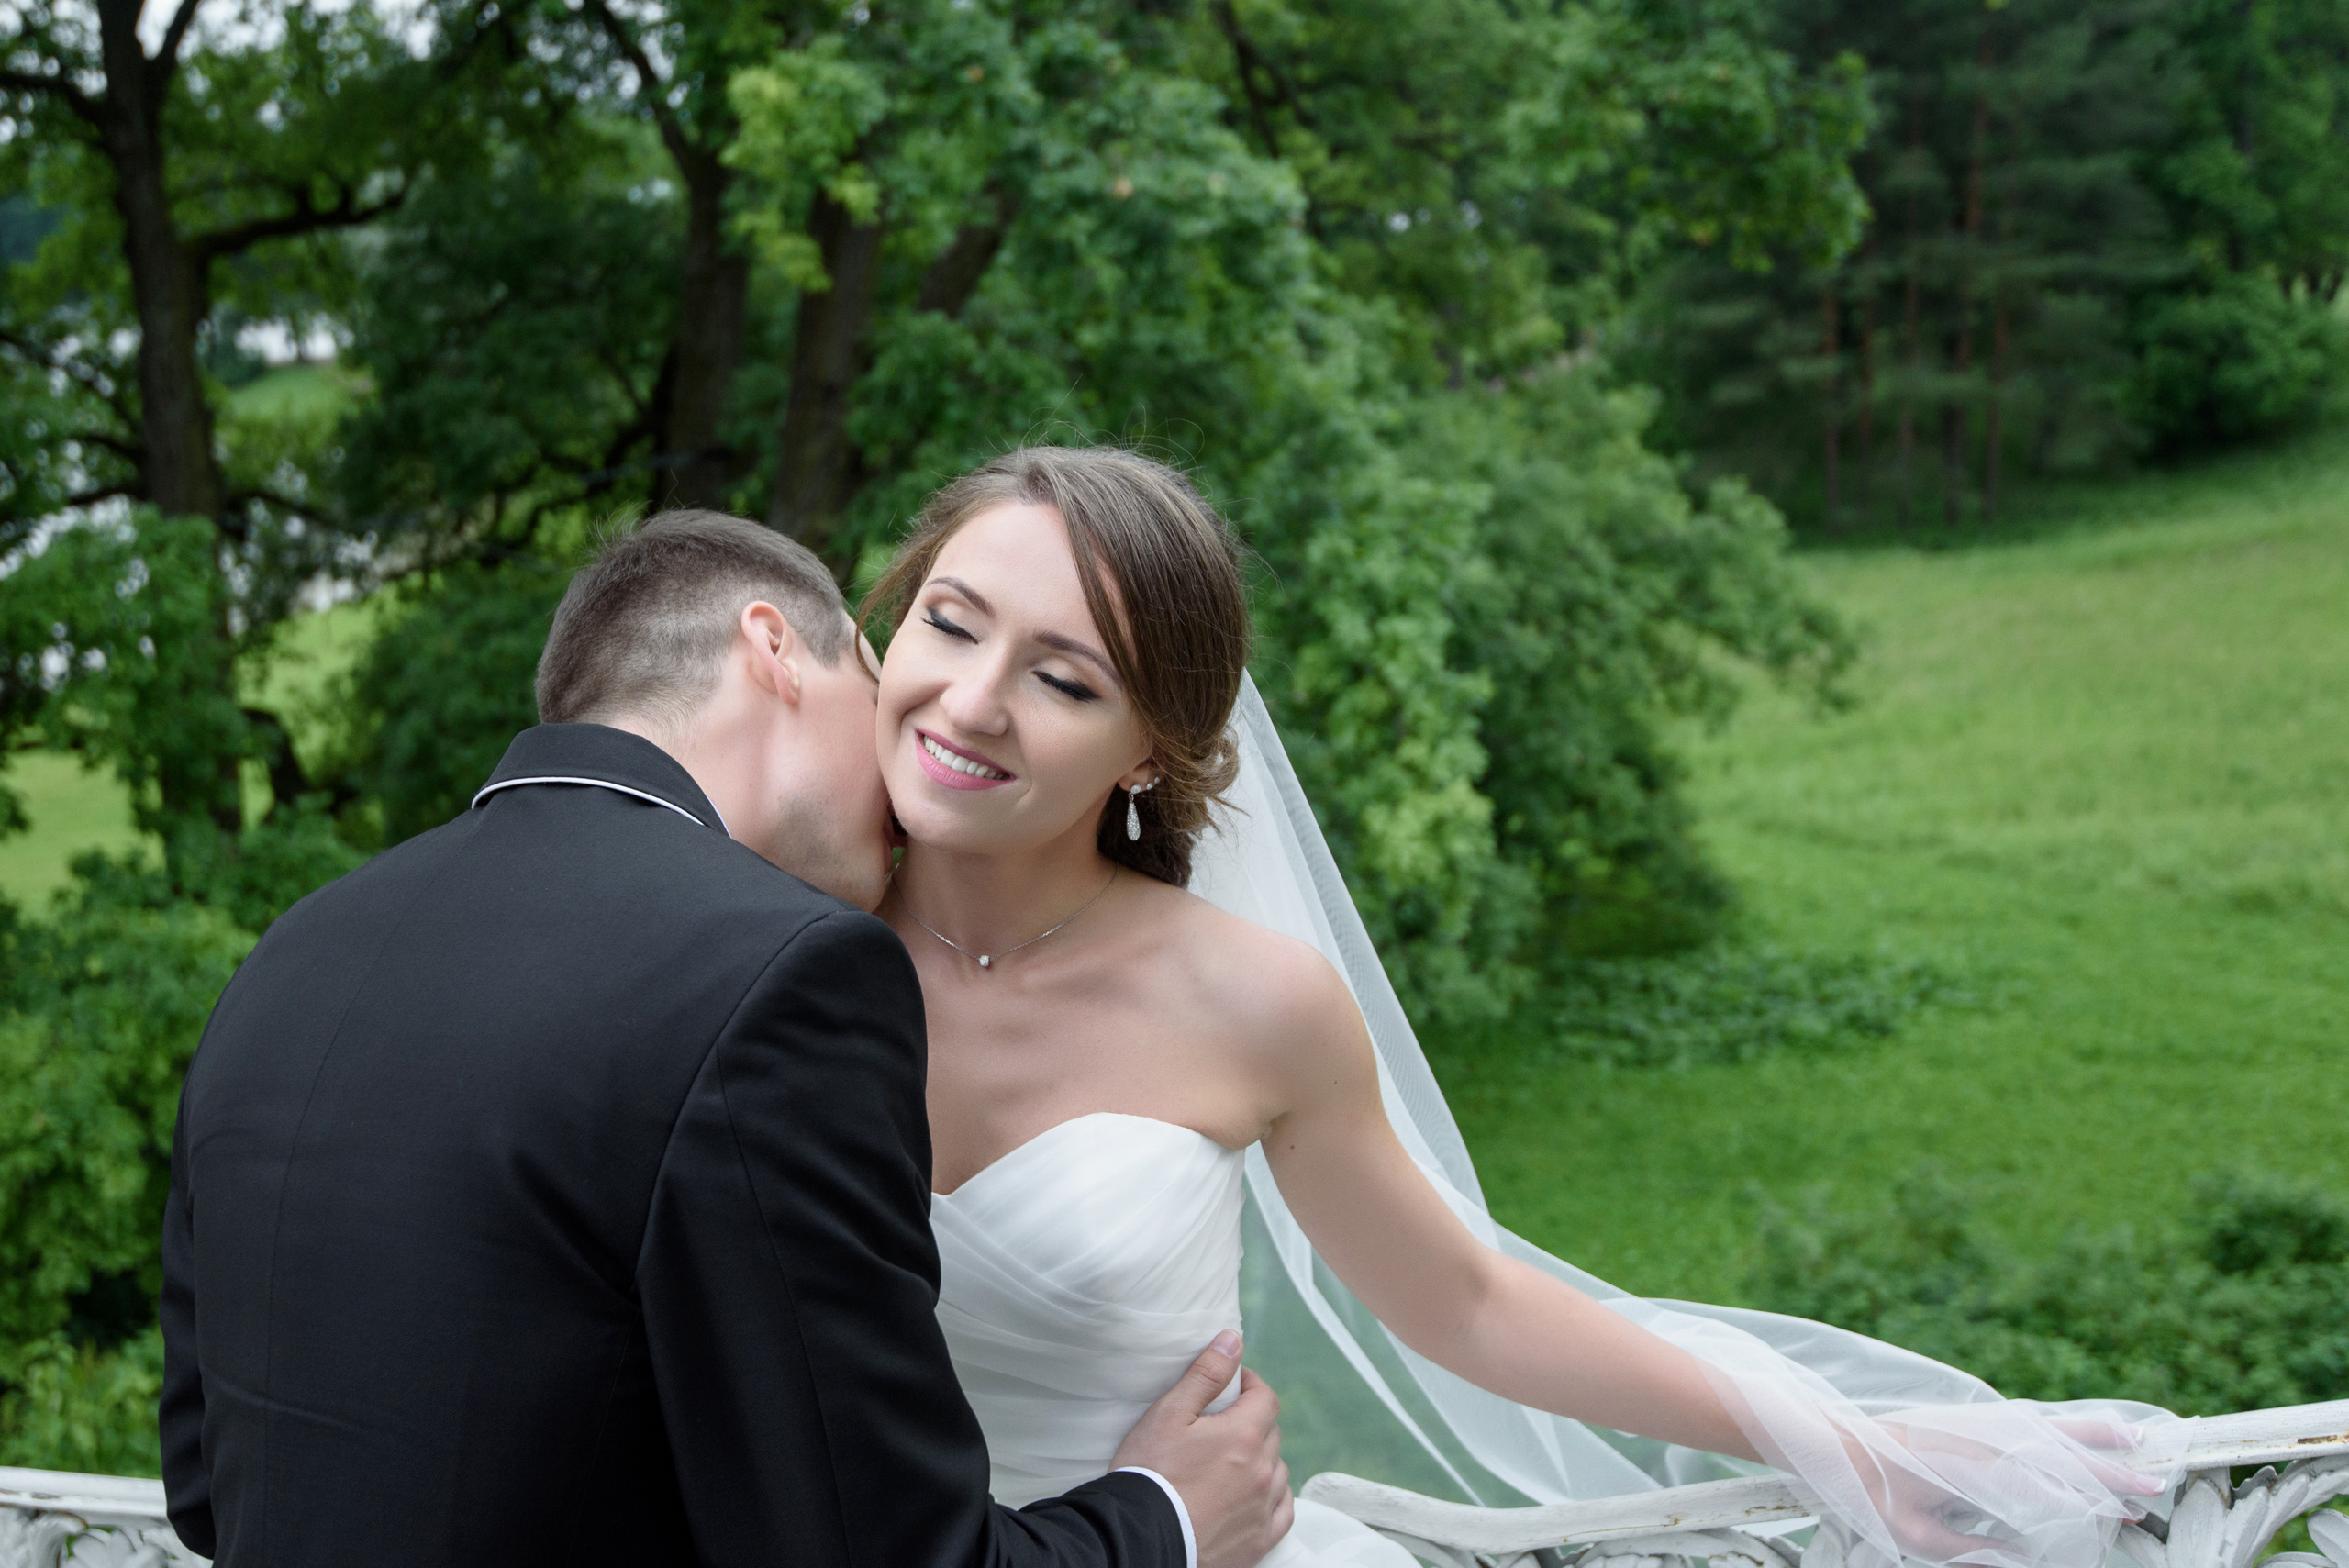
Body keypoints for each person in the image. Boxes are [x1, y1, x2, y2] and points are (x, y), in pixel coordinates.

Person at [862, 447, 2185, 1568]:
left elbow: (1470, 1304)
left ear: (1152, 747)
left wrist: (1852, 1446)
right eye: (952, 622)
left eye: (1065, 680)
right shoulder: (778, 936)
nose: (971, 701)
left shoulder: (1249, 1001)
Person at [158, 511, 1294, 1568]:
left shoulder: (293, 954)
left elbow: (207, 1486)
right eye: (874, 673)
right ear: (774, 649)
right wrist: (1165, 1512)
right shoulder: (780, 974)